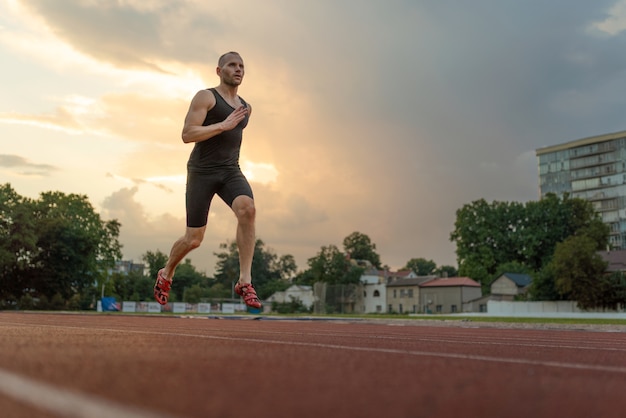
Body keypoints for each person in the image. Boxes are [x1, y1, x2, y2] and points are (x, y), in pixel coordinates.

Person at [153, 51, 261, 309]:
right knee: (194, 239)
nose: (238, 70)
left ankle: (245, 281)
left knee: (248, 210)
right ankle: (166, 272)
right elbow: (187, 134)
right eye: (232, 65)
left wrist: (229, 127)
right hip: (202, 172)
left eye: (242, 66)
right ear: (219, 70)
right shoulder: (206, 97)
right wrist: (221, 126)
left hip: (230, 170)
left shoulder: (246, 107)